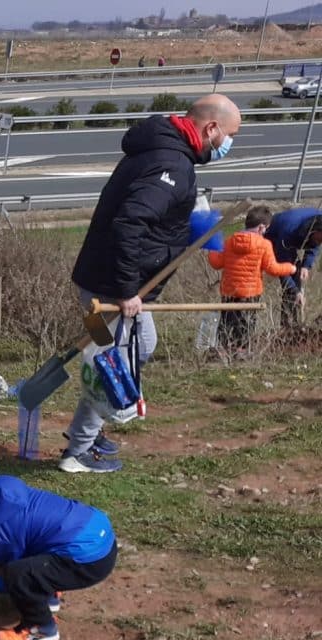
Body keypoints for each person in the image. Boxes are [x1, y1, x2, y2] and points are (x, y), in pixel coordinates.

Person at [64, 93, 240, 474]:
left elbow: (147, 214)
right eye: (229, 135)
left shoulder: (159, 148)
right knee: (113, 362)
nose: (228, 144)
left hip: (94, 281)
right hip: (108, 292)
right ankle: (79, 450)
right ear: (211, 128)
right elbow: (130, 223)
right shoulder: (171, 162)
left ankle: (88, 430)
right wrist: (128, 290)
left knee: (122, 351)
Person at [0, 474, 117, 640]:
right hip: (98, 532)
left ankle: (40, 628)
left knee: (17, 574)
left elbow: (11, 573)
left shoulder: (2, 535)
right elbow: (3, 538)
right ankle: (47, 592)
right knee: (32, 550)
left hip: (90, 560)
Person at [208, 205, 294, 355]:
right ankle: (241, 353)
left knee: (227, 322)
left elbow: (216, 263)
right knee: (245, 325)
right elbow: (272, 269)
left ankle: (223, 351)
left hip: (228, 292)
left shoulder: (229, 241)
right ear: (261, 227)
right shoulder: (264, 244)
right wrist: (290, 268)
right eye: (266, 228)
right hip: (250, 293)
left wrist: (211, 249)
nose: (265, 232)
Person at [263, 207, 322, 329]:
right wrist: (295, 290)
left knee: (298, 271)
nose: (320, 242)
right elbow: (282, 267)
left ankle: (294, 322)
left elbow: (315, 244)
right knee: (292, 277)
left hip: (297, 233)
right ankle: (287, 326)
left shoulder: (317, 226)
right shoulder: (288, 231)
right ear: (314, 230)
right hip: (273, 236)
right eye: (320, 239)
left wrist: (306, 265)